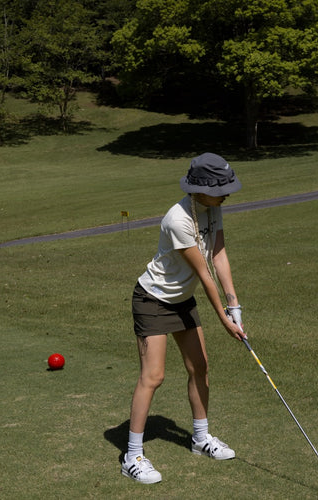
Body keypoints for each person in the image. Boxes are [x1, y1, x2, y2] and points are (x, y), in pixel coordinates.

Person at [121, 152, 246, 484]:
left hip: (181, 300)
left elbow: (218, 255)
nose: (226, 194)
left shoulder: (213, 207)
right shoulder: (177, 219)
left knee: (200, 366)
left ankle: (201, 438)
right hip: (152, 300)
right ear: (199, 189)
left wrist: (235, 307)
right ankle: (132, 455)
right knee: (154, 375)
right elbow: (204, 273)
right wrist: (223, 319)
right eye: (220, 189)